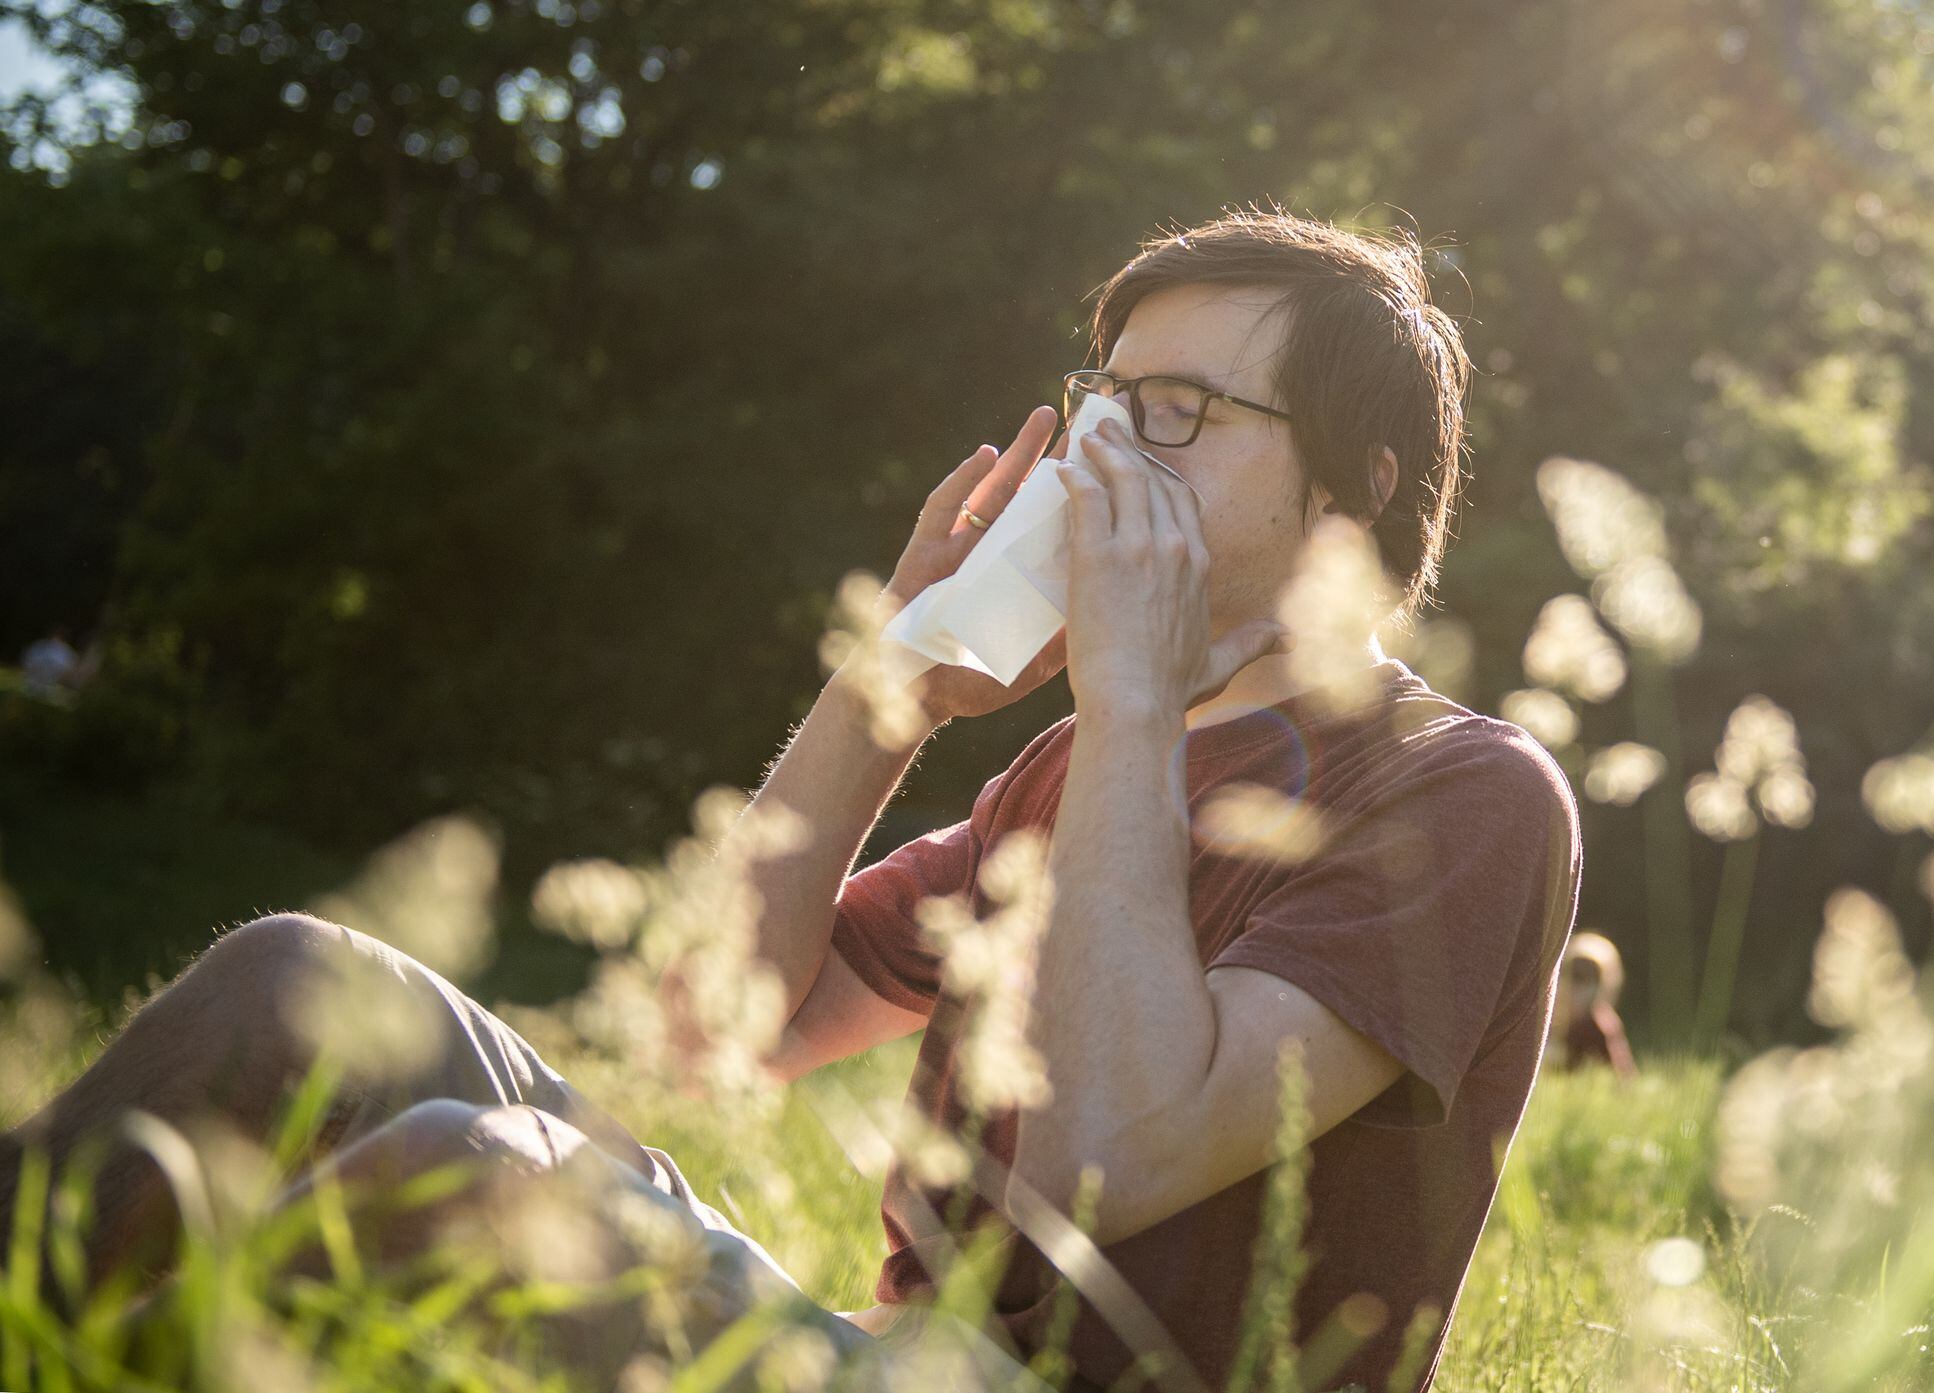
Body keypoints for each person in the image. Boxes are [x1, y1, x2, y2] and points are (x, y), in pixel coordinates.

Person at [0, 206, 1582, 1392]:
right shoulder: (1070, 771)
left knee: (477, 1170)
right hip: (879, 1363)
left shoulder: (1461, 792)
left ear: (1362, 476)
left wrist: (1134, 698)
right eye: (1106, 399)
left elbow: (1120, 1148)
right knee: (294, 978)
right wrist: (889, 680)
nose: (1113, 450)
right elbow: (715, 1025)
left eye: (1180, 412)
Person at [1548, 931, 1637, 1078]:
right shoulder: (1551, 1021)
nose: (1579, 990)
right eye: (1574, 977)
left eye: (1588, 980)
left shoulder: (1600, 1026)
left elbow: (1623, 1076)